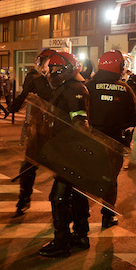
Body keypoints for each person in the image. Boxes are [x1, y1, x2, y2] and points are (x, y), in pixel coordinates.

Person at [37, 52, 90, 258]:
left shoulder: (75, 89)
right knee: (77, 195)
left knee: (58, 197)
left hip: (70, 151)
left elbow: (80, 122)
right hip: (67, 149)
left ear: (64, 70)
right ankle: (80, 235)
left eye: (53, 70)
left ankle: (62, 241)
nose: (50, 73)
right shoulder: (67, 87)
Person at [86, 50, 136, 230]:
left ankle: (81, 216)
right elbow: (133, 118)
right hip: (113, 141)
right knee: (110, 180)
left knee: (86, 177)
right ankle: (108, 216)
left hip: (90, 138)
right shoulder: (125, 89)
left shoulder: (88, 86)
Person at [8, 49, 55, 215]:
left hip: (57, 131)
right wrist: (12, 107)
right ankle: (24, 198)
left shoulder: (62, 79)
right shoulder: (35, 78)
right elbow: (24, 95)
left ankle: (63, 206)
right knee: (28, 166)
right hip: (40, 128)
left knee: (62, 172)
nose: (51, 66)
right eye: (48, 62)